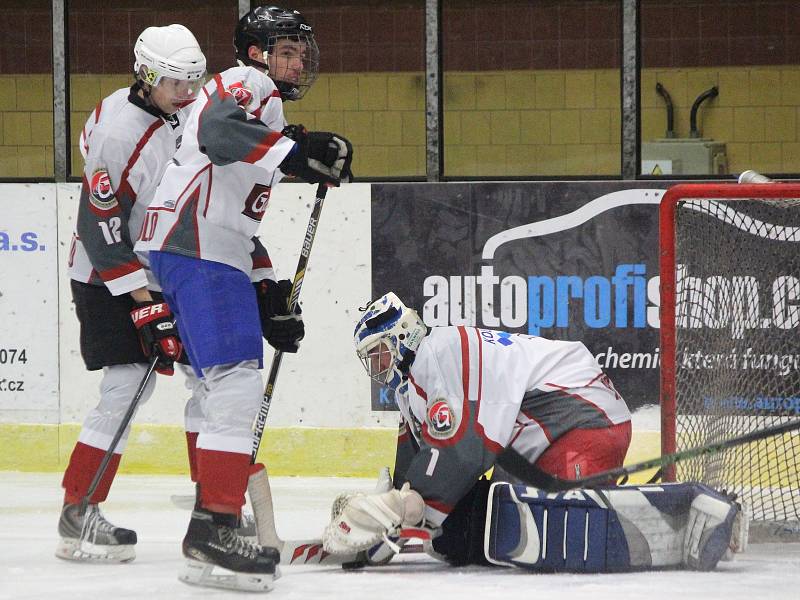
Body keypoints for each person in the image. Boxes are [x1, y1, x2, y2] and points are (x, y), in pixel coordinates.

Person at [134, 5, 353, 592]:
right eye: (285, 50)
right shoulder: (244, 83)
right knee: (233, 381)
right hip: (197, 249)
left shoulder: (267, 109)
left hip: (200, 249)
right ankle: (217, 524)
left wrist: (267, 286)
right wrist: (294, 152)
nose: (296, 60)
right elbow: (214, 132)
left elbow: (239, 218)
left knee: (215, 390)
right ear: (256, 53)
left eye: (300, 51)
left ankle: (214, 521)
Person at [321, 292, 746, 572]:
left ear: (401, 337)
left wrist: (405, 505)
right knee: (472, 533)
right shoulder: (412, 389)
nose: (377, 370)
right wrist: (388, 523)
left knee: (561, 531)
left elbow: (467, 449)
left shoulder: (443, 349)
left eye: (378, 356)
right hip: (537, 441)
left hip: (581, 417)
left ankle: (698, 507)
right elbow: (423, 469)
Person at [57, 24, 207, 564]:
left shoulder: (183, 111)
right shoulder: (120, 132)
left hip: (168, 268)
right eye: (175, 84)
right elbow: (98, 224)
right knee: (125, 387)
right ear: (146, 76)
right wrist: (143, 299)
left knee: (212, 383)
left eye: (194, 82)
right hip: (107, 275)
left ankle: (213, 509)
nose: (187, 94)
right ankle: (79, 512)